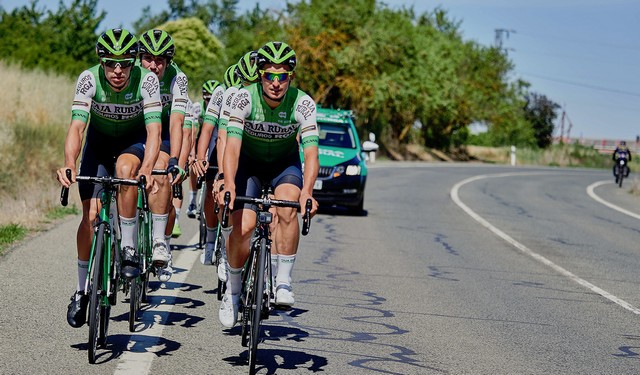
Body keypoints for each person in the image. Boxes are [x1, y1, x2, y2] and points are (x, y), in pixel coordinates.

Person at [56, 28, 162, 328]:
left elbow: (154, 131)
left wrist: (149, 167)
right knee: (89, 217)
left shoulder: (148, 80)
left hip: (133, 142)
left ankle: (128, 248)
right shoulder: (89, 78)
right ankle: (80, 291)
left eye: (126, 63)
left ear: (134, 63)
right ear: (101, 62)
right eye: (111, 63)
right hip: (99, 146)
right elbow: (77, 127)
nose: (118, 70)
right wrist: (69, 163)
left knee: (127, 170)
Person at [217, 41, 319, 328]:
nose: (275, 83)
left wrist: (308, 192)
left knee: (288, 207)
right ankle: (233, 292)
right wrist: (228, 182)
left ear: (291, 77)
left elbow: (311, 154)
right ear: (260, 75)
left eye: (282, 76)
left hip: (283, 164)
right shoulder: (243, 99)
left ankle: (284, 281)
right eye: (269, 76)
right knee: (245, 226)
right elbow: (232, 147)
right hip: (248, 163)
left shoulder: (303, 103)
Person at [138, 29, 190, 273]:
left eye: (159, 60)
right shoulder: (131, 73)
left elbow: (177, 122)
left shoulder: (177, 79)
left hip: (166, 134)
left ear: (168, 62)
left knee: (160, 171)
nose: (153, 66)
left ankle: (160, 241)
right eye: (148, 58)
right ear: (139, 59)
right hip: (136, 130)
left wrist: (175, 160)